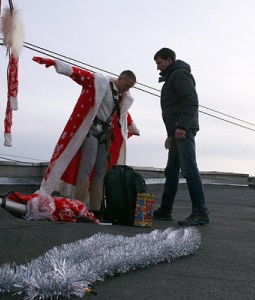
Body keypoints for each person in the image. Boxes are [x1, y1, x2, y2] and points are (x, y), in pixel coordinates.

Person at [33, 57, 139, 216]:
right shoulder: (101, 83)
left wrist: (134, 129)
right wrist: (56, 64)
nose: (127, 89)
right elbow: (80, 75)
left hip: (105, 135)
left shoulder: (122, 96)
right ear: (121, 78)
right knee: (87, 167)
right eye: (127, 85)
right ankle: (79, 204)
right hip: (91, 131)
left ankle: (95, 208)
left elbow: (123, 115)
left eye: (130, 87)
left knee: (100, 172)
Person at [152, 48, 209, 226]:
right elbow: (173, 110)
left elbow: (191, 102)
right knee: (171, 171)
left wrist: (182, 127)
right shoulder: (172, 78)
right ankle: (165, 211)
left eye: (159, 63)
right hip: (177, 131)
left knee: (189, 170)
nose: (157, 67)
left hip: (184, 130)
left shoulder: (180, 75)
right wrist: (170, 135)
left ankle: (200, 212)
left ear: (169, 60)